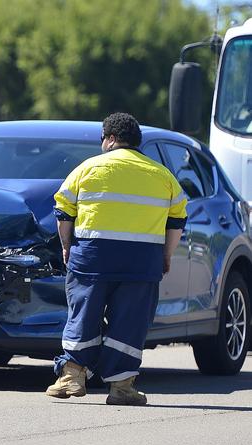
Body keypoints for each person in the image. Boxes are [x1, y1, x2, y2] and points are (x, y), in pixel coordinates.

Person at [46, 112, 188, 406]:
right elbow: (177, 221)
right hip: (141, 261)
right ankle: (122, 386)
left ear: (110, 139)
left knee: (84, 314)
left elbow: (63, 213)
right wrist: (166, 256)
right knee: (130, 322)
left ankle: (72, 376)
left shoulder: (87, 168)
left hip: (92, 257)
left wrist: (66, 246)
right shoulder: (162, 175)